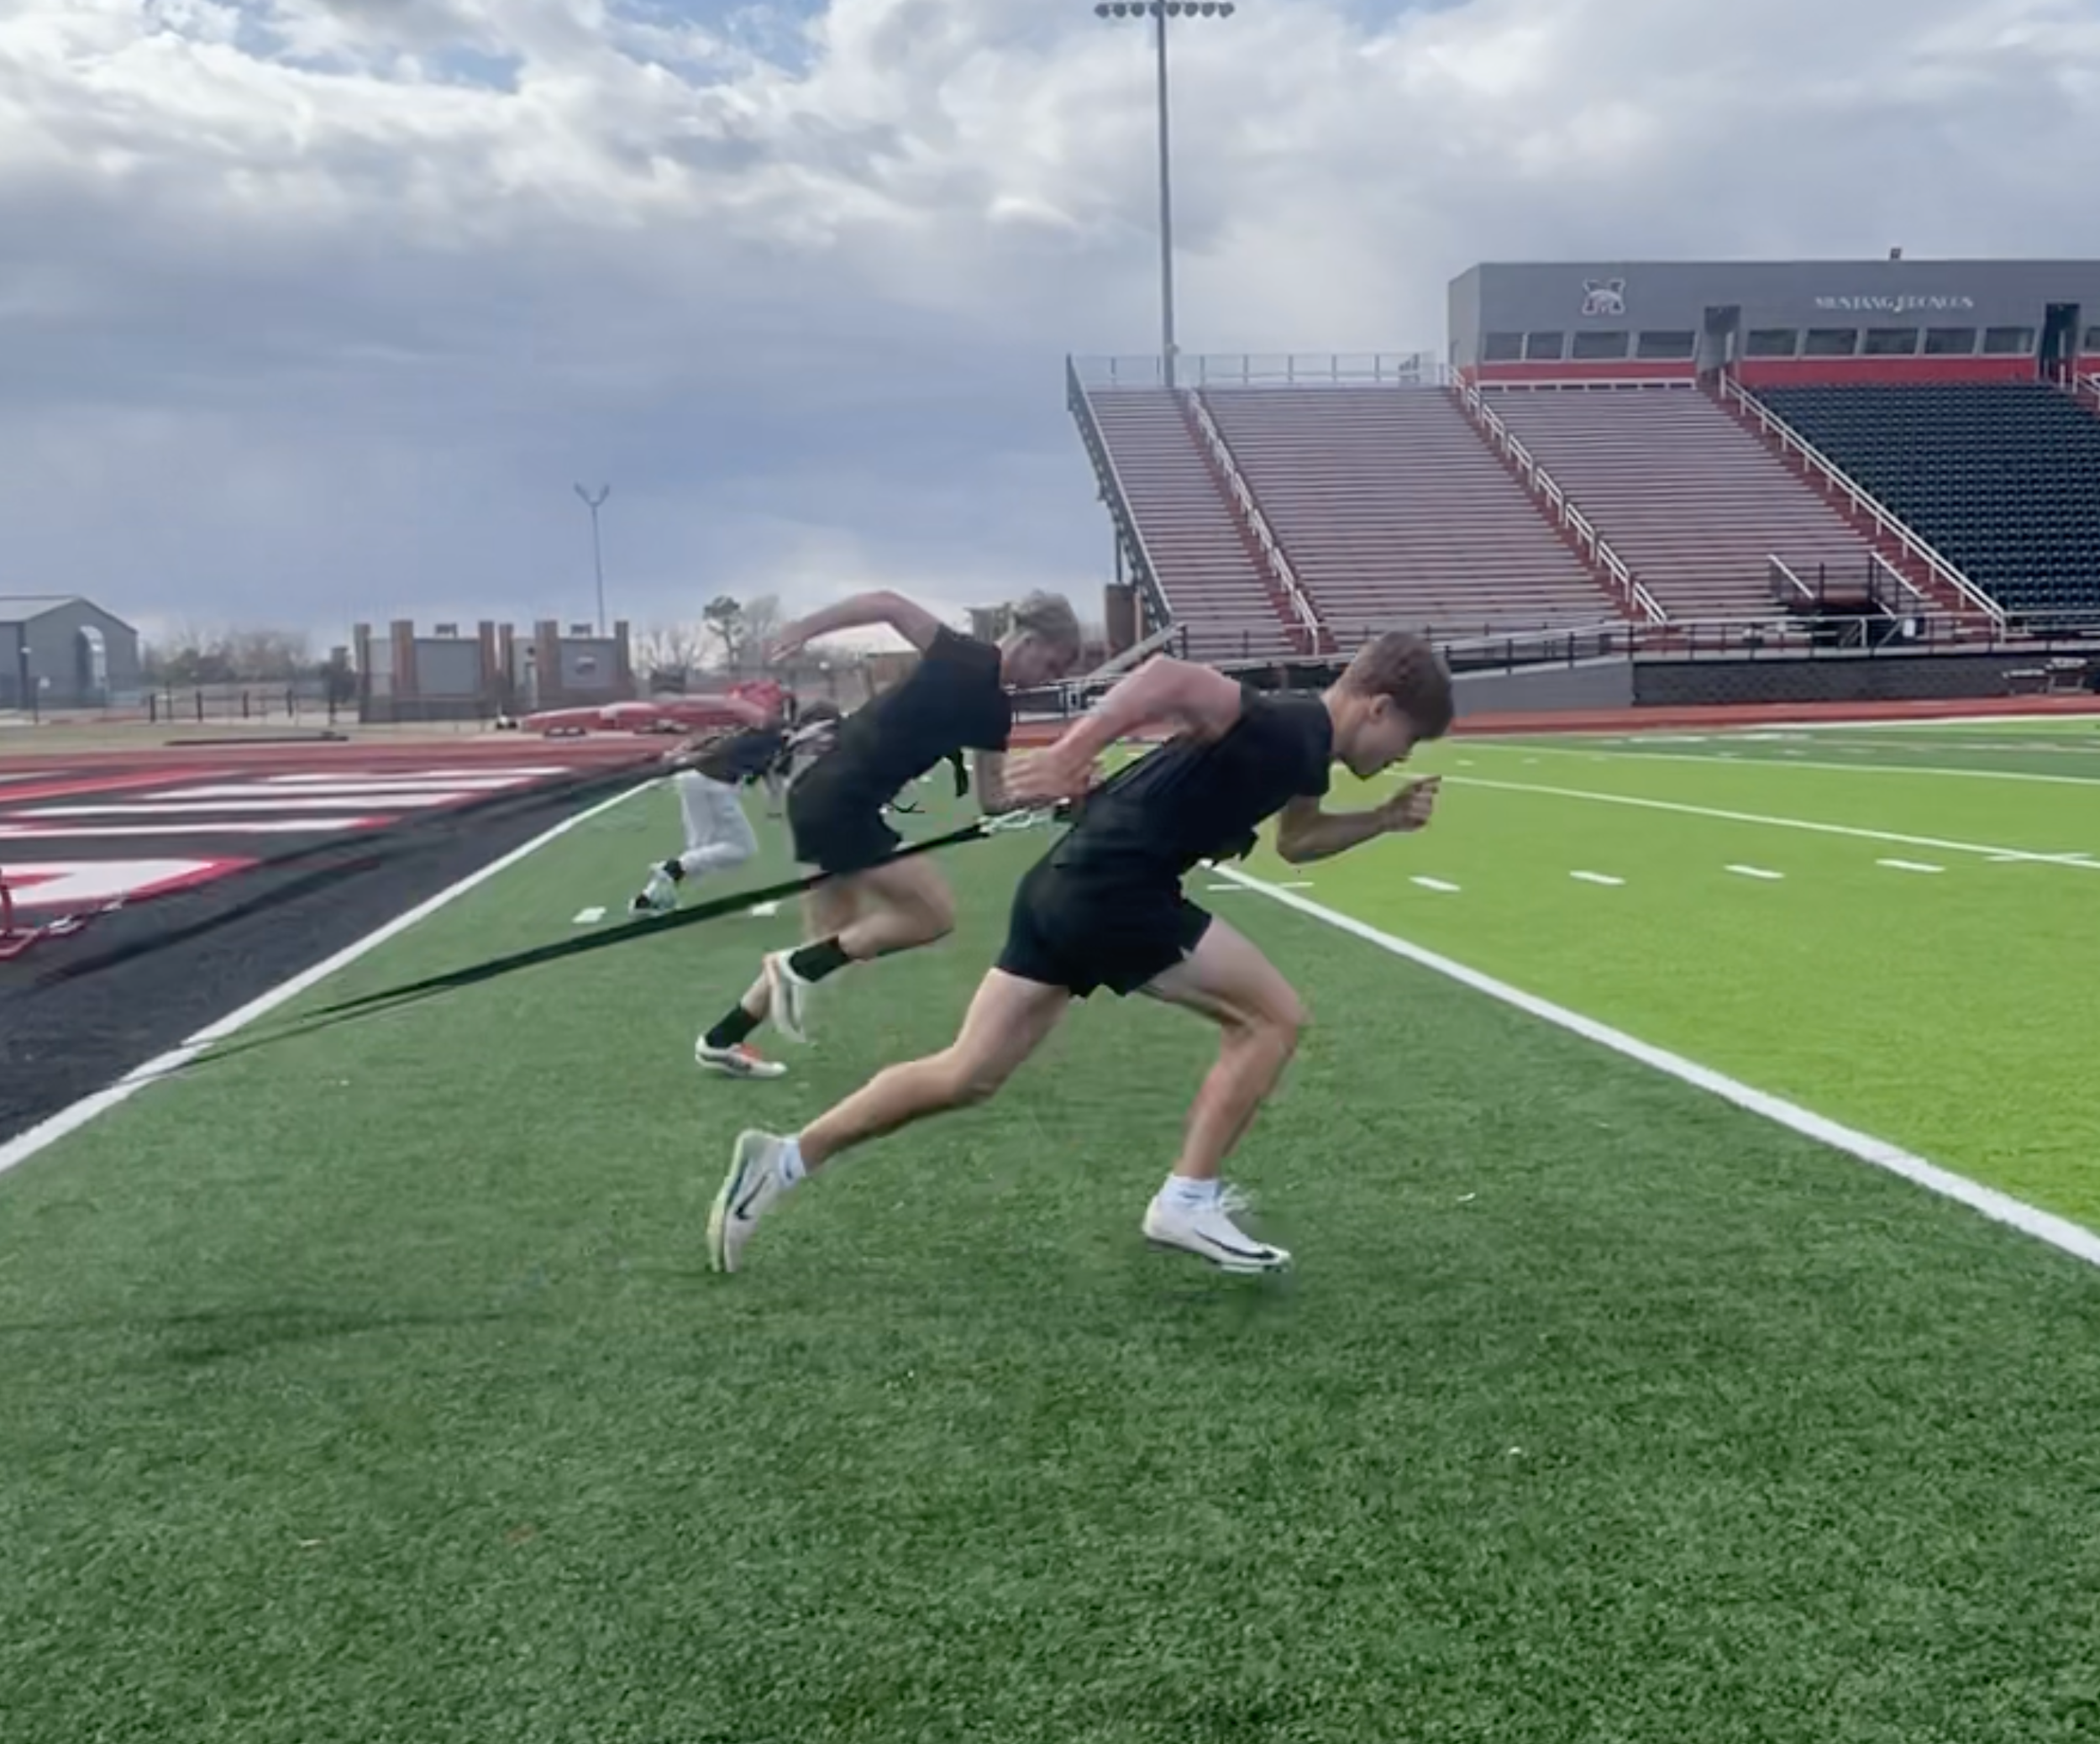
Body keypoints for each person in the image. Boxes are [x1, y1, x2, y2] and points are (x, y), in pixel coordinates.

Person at [705, 629, 1454, 1276]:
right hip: (1113, 890)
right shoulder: (1290, 728)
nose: (1401, 755)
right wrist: (1071, 752)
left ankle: (783, 1159)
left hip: (1066, 885)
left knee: (966, 1074)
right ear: (1378, 707)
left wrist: (1383, 821)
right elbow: (1168, 679)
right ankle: (1186, 1200)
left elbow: (1299, 840)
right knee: (1273, 1021)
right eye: (1407, 739)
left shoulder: (1303, 752)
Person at [692, 589, 1084, 1080]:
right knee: (933, 915)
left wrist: (1054, 798)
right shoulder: (964, 655)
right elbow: (885, 603)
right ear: (1028, 640)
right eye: (1051, 666)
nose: (1048, 679)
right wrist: (803, 629)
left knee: (827, 943)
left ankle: (721, 1038)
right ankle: (786, 969)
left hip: (823, 797)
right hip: (840, 804)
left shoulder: (994, 710)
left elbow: (993, 800)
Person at [628, 699, 842, 919]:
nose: (824, 745)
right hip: (713, 782)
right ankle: (670, 869)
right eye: (827, 734)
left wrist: (776, 809)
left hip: (698, 779)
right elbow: (744, 717)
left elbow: (775, 778)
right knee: (741, 848)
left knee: (700, 852)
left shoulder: (783, 740)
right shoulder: (780, 731)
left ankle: (647, 900)